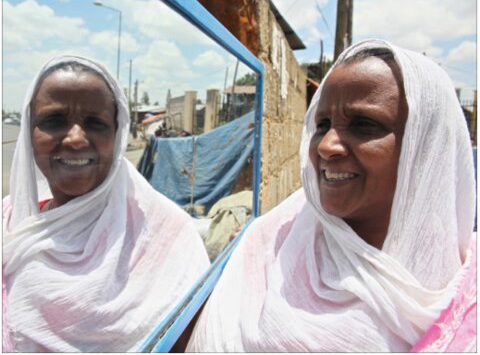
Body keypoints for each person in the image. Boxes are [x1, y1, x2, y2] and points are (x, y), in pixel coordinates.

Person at [186, 39, 476, 352]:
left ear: (426, 148)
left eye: (364, 124)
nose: (325, 146)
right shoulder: (270, 244)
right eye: (323, 124)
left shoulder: (464, 285)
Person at [2, 55, 210, 352]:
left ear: (118, 134)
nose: (75, 139)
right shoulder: (10, 224)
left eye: (95, 123)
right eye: (53, 121)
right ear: (29, 133)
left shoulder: (168, 235)